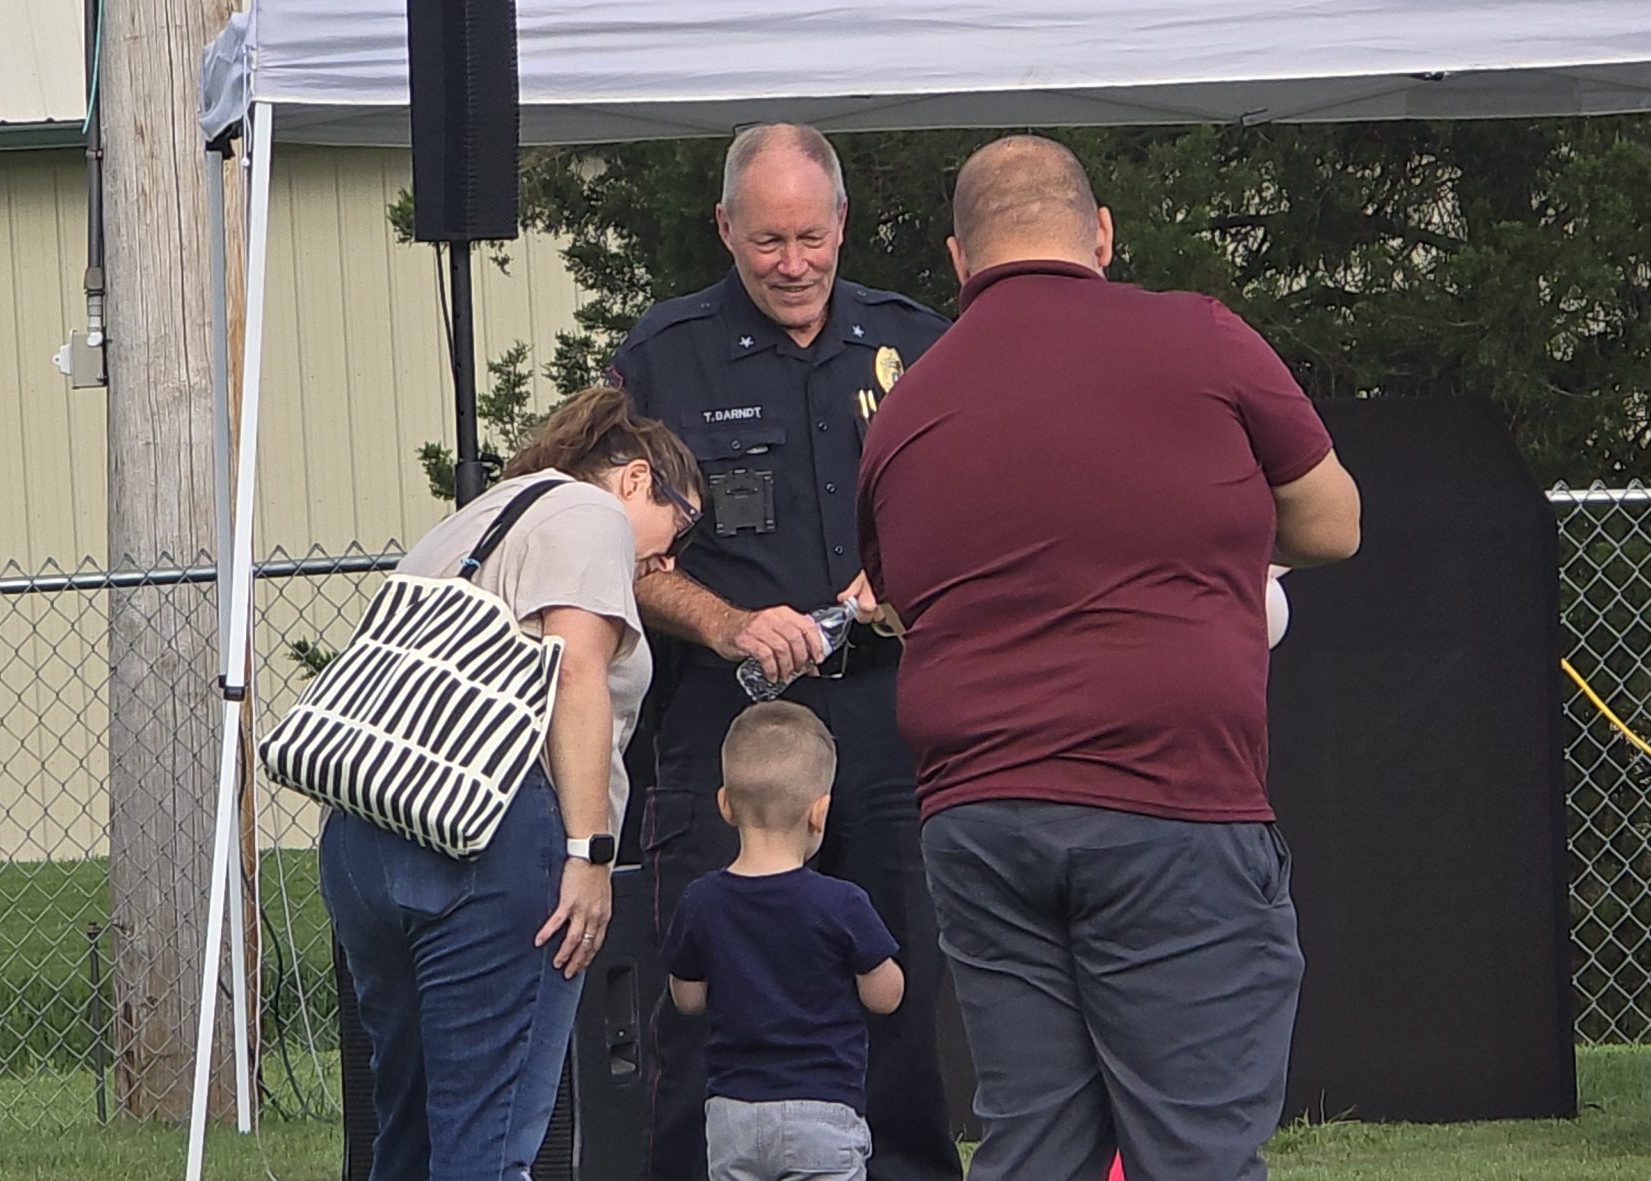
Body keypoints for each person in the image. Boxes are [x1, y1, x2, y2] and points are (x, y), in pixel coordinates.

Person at [856, 135, 1362, 1181]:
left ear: (957, 260)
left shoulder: (900, 411)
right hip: (1168, 798)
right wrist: (1195, 544)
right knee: (1196, 1147)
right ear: (1100, 233)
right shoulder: (1201, 336)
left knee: (1032, 1143)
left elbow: (904, 603)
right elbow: (1333, 522)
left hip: (979, 813)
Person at [610, 123, 961, 1181]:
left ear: (843, 224)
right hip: (731, 719)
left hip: (885, 712)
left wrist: (904, 578)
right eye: (768, 241)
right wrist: (723, 622)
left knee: (894, 967)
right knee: (714, 977)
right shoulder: (663, 357)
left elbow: (980, 515)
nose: (795, 263)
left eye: (813, 237)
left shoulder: (918, 344)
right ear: (725, 228)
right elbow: (607, 546)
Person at [319, 385, 703, 1181]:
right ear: (635, 480)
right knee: (488, 1148)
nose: (667, 562)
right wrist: (589, 852)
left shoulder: (478, 519)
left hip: (368, 828)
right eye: (679, 528)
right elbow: (573, 676)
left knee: (409, 1133)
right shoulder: (588, 518)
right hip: (491, 832)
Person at [663, 702, 906, 1181]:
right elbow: (886, 997)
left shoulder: (701, 901)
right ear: (820, 811)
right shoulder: (842, 903)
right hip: (822, 1109)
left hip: (732, 1111)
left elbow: (687, 998)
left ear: (725, 804)